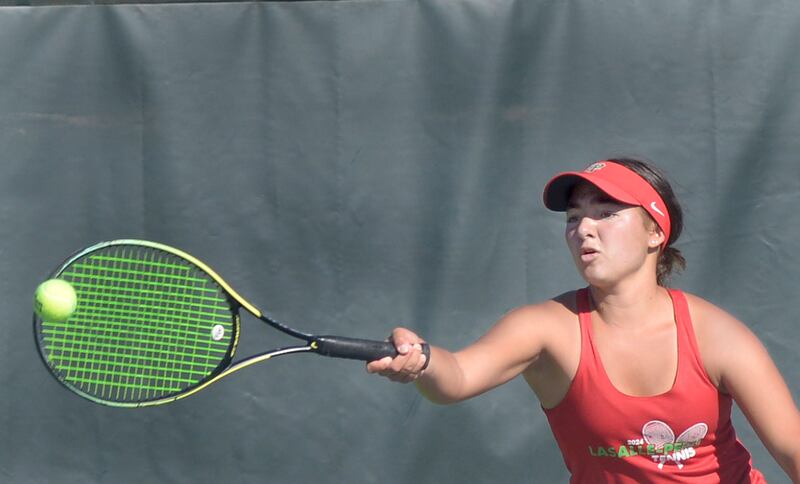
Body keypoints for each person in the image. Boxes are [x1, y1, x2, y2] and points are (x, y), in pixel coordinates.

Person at [366, 158, 800, 483]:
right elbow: (457, 375)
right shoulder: (545, 328)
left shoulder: (718, 336)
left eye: (606, 212)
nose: (584, 229)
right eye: (574, 218)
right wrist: (421, 360)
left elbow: (792, 449)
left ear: (656, 233)